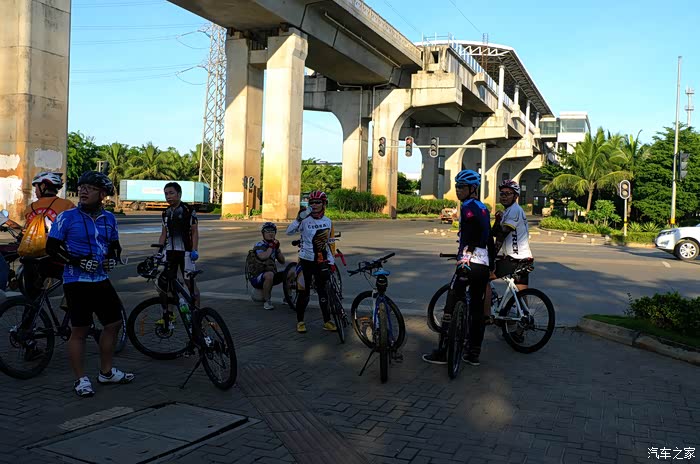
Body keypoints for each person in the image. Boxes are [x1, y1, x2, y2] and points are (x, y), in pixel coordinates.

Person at [46, 171, 133, 397]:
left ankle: (106, 372)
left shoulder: (109, 218)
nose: (83, 191)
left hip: (101, 279)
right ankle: (81, 379)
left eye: (90, 188)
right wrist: (77, 261)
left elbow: (114, 246)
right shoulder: (67, 217)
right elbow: (52, 249)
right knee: (80, 330)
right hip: (76, 281)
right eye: (81, 187)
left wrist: (112, 258)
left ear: (102, 194)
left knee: (113, 323)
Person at [422, 169, 491, 366]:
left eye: (462, 187)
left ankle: (443, 352)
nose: (458, 190)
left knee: (451, 304)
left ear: (473, 188)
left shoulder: (468, 206)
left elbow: (478, 233)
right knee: (476, 308)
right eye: (457, 186)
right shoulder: (484, 207)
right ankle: (473, 353)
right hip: (483, 265)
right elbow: (489, 238)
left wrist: (468, 250)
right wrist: (491, 264)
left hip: (468, 263)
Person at [286, 190, 337, 334]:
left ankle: (327, 321)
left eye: (317, 202)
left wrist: (331, 262)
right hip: (306, 261)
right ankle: (300, 321)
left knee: (323, 291)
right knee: (304, 292)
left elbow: (330, 243)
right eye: (312, 202)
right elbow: (289, 232)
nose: (314, 205)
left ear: (324, 204)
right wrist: (298, 219)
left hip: (321, 260)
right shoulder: (305, 220)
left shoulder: (328, 221)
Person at [486, 180, 533, 332]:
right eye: (502, 194)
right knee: (521, 295)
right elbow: (495, 232)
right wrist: (497, 220)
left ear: (515, 196)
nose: (504, 196)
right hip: (524, 258)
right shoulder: (508, 212)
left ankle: (486, 316)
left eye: (508, 194)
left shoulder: (514, 211)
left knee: (483, 277)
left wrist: (491, 256)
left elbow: (501, 235)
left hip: (515, 259)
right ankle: (522, 327)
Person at [20, 172, 76, 299]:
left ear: (43, 186)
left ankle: (31, 308)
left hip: (33, 255)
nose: (35, 191)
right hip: (57, 255)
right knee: (73, 287)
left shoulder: (30, 208)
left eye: (36, 187)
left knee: (32, 297)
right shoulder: (68, 205)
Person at [157, 182, 200, 307]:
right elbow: (163, 233)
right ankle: (170, 314)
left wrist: (194, 249)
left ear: (179, 194)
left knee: (189, 282)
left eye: (171, 193)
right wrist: (159, 252)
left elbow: (194, 232)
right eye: (166, 194)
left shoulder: (188, 210)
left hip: (186, 252)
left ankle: (197, 311)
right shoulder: (165, 212)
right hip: (170, 252)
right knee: (168, 284)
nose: (168, 196)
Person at [249, 222, 286, 310]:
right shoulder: (259, 244)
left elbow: (282, 261)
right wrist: (271, 246)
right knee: (269, 274)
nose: (270, 234)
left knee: (290, 272)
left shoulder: (274, 245)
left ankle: (288, 298)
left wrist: (277, 249)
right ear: (263, 233)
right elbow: (263, 256)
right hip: (257, 277)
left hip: (271, 274)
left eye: (272, 231)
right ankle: (267, 301)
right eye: (267, 231)